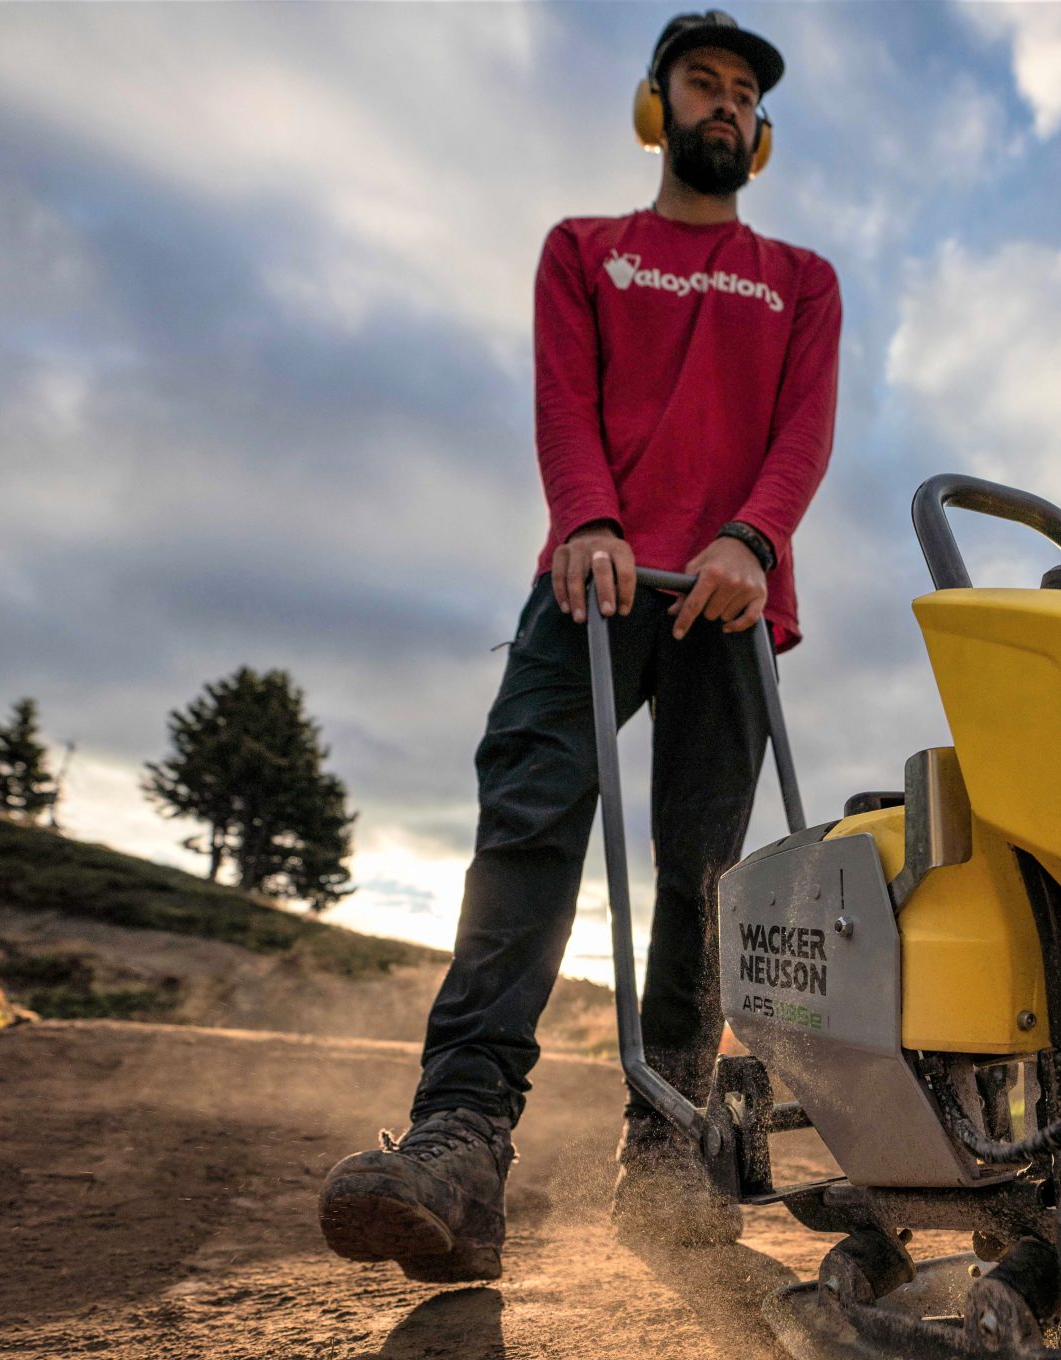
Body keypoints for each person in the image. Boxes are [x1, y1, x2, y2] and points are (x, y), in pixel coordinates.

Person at [318, 11, 839, 1284]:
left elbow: (801, 436)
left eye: (740, 95)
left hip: (727, 599)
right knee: (531, 821)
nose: (721, 105)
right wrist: (590, 519)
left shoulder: (802, 280)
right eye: (699, 84)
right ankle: (462, 1142)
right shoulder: (584, 251)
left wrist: (750, 543)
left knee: (703, 873)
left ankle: (663, 1148)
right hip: (591, 581)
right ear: (654, 110)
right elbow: (563, 400)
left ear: (759, 138)